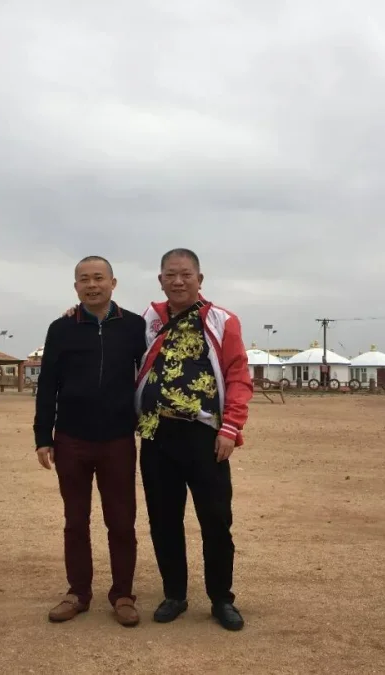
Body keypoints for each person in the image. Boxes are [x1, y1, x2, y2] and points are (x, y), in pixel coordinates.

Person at [135, 248, 253, 631]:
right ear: (160, 280)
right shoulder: (147, 321)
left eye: (186, 274)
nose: (178, 281)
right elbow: (114, 340)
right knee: (163, 519)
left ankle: (222, 598)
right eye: (171, 275)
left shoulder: (222, 321)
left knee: (216, 520)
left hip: (205, 436)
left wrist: (230, 428)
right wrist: (78, 312)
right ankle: (174, 594)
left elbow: (238, 376)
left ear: (199, 279)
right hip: (157, 434)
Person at [33, 255, 148, 627]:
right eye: (84, 279)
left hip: (117, 439)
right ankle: (78, 593)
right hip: (71, 439)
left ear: (113, 283)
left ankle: (123, 594)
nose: (92, 284)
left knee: (122, 521)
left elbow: (151, 375)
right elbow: (47, 385)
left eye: (99, 278)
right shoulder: (61, 328)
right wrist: (42, 436)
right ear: (76, 286)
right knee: (75, 520)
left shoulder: (135, 326)